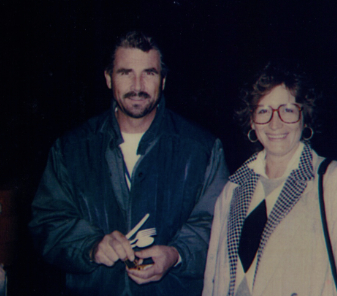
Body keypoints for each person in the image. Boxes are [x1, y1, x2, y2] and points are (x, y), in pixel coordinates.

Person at [29, 31, 229, 296]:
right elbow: (47, 222)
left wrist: (176, 254)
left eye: (149, 73)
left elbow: (220, 225)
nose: (138, 85)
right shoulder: (71, 148)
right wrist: (91, 246)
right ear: (109, 78)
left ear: (163, 80)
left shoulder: (202, 149)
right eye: (125, 73)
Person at [203, 59, 337, 296]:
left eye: (287, 110)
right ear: (252, 121)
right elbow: (213, 281)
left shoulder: (329, 182)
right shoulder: (233, 189)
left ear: (304, 116)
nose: (275, 123)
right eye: (264, 110)